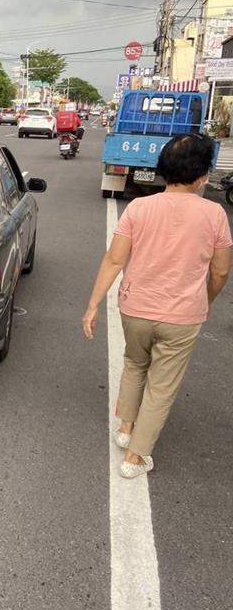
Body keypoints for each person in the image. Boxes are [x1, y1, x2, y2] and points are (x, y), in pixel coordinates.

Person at [83, 134, 231, 478]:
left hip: (135, 307)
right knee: (162, 385)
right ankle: (135, 457)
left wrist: (93, 305)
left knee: (135, 364)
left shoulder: (138, 208)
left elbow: (114, 259)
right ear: (202, 174)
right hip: (182, 315)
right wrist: (204, 300)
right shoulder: (214, 215)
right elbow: (221, 271)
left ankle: (126, 428)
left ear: (163, 169)